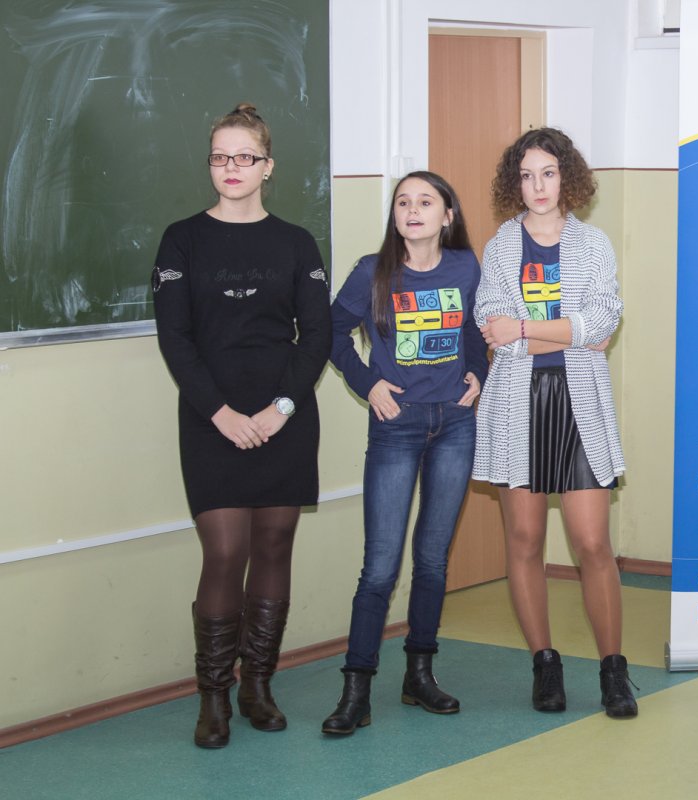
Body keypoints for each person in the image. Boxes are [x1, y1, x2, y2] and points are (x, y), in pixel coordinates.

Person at [152, 103, 332, 749]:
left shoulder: (297, 242)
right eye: (220, 157)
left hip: (283, 416)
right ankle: (213, 697)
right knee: (226, 552)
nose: (232, 168)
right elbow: (175, 339)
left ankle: (257, 684)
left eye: (245, 157)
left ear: (267, 166)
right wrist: (222, 414)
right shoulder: (181, 240)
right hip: (212, 417)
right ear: (210, 164)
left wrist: (280, 410)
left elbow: (317, 336)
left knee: (275, 547)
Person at [473, 127, 635, 718]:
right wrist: (566, 332)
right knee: (525, 541)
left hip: (579, 403)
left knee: (592, 543)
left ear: (567, 176)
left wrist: (525, 329)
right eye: (526, 176)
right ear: (514, 184)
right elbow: (493, 329)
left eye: (548, 172)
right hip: (518, 404)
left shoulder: (594, 245)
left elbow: (604, 321)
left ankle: (614, 671)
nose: (538, 186)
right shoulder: (500, 248)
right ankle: (545, 664)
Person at [320, 171, 487, 735]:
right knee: (380, 567)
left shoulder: (465, 267)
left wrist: (478, 372)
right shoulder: (372, 272)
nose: (412, 211)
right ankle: (356, 690)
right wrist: (368, 383)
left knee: (433, 559)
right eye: (402, 202)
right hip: (396, 428)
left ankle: (419, 675)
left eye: (425, 202)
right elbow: (331, 334)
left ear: (447, 216)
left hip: (455, 425)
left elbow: (472, 331)